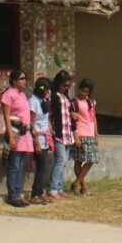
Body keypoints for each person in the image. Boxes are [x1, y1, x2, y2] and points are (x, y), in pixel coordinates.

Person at [1, 69, 33, 207]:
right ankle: (12, 195)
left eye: (25, 78)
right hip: (14, 133)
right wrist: (11, 137)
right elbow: (7, 117)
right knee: (14, 165)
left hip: (24, 134)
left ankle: (18, 193)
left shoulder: (23, 95)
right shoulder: (8, 95)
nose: (24, 81)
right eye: (21, 78)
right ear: (14, 80)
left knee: (20, 165)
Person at [48, 70, 76, 200]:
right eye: (64, 85)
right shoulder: (53, 96)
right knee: (60, 160)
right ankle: (53, 189)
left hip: (67, 132)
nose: (66, 88)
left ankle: (59, 187)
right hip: (58, 133)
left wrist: (75, 116)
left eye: (68, 86)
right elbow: (50, 115)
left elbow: (69, 112)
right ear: (58, 83)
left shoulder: (66, 96)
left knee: (64, 161)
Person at [70, 78, 99, 196]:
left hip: (90, 133)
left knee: (91, 159)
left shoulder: (91, 102)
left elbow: (94, 118)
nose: (84, 94)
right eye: (82, 91)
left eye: (87, 92)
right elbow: (72, 121)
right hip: (80, 133)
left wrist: (96, 134)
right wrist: (75, 136)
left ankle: (76, 183)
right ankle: (83, 186)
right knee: (79, 160)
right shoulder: (74, 102)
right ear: (79, 89)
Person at [29, 75, 54, 205]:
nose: (49, 92)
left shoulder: (44, 100)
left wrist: (50, 128)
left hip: (45, 137)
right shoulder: (33, 101)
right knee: (41, 166)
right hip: (38, 138)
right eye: (47, 89)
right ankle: (35, 194)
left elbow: (45, 118)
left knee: (43, 167)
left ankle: (40, 192)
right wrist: (36, 142)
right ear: (42, 89)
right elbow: (31, 123)